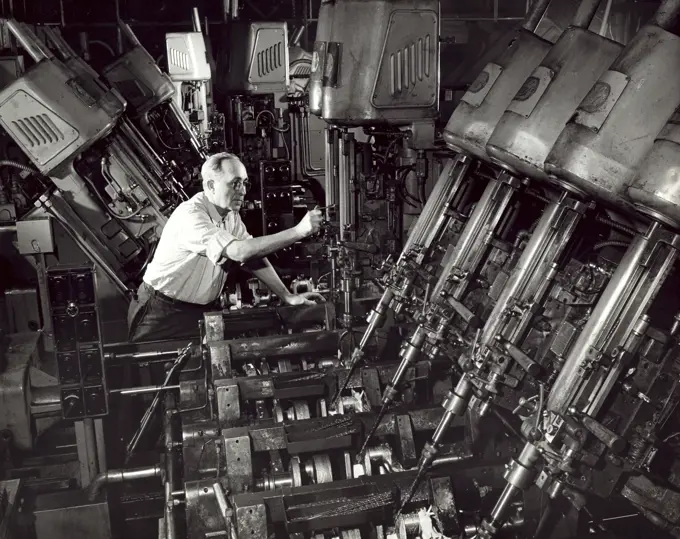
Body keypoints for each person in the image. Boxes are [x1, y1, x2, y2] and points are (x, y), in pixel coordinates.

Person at [128, 152, 325, 342]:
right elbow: (240, 252)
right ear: (211, 185)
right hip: (160, 314)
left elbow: (253, 257)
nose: (243, 190)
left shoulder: (230, 215)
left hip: (198, 311)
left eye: (244, 183)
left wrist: (287, 296)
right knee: (153, 373)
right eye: (235, 183)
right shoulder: (191, 216)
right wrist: (299, 231)